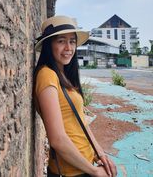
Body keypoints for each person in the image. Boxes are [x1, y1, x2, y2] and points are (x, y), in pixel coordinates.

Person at [34, 15, 117, 177]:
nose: (68, 47)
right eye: (61, 41)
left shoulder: (63, 76)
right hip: (71, 170)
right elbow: (57, 139)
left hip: (84, 163)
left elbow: (81, 122)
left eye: (72, 41)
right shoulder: (47, 75)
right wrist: (94, 171)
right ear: (48, 45)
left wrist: (100, 154)